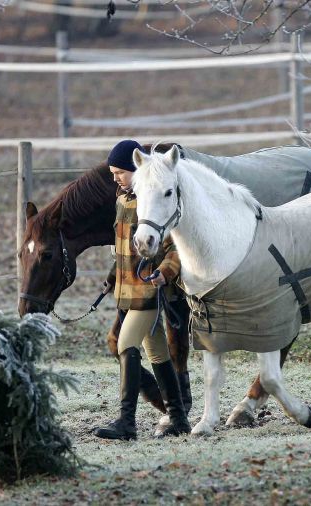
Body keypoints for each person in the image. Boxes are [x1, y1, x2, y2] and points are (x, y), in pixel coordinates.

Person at [92, 139, 191, 440]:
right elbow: (123, 247)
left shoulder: (149, 202)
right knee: (157, 352)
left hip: (146, 290)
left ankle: (127, 422)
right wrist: (113, 276)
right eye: (112, 173)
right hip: (127, 289)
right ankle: (178, 417)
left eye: (119, 172)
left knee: (125, 345)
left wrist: (166, 271)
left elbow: (175, 245)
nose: (115, 179)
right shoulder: (123, 200)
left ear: (136, 170)